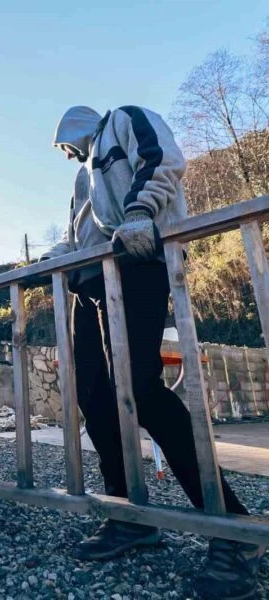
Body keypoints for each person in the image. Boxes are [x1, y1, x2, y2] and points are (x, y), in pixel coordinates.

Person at [44, 105, 262, 599]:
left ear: (74, 129)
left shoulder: (122, 119)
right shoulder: (84, 175)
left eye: (63, 145)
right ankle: (128, 515)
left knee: (139, 388)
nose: (64, 154)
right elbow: (78, 230)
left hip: (136, 261)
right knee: (95, 398)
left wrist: (142, 212)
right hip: (91, 282)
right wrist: (53, 258)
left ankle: (233, 527)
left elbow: (161, 156)